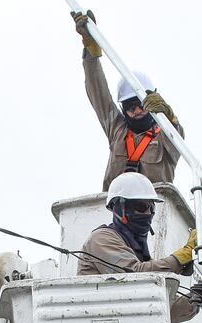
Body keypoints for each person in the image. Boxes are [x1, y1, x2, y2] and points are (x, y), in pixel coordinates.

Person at [76, 173, 202, 323]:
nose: (148, 213)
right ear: (118, 208)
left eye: (151, 207)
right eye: (142, 207)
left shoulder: (136, 253)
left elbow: (169, 310)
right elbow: (136, 276)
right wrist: (186, 253)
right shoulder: (101, 239)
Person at [72, 11, 183, 190]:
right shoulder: (118, 130)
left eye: (140, 104)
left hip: (152, 212)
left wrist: (168, 115)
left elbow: (177, 136)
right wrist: (91, 50)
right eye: (130, 107)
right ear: (123, 109)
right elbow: (97, 92)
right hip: (115, 210)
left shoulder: (165, 137)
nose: (137, 111)